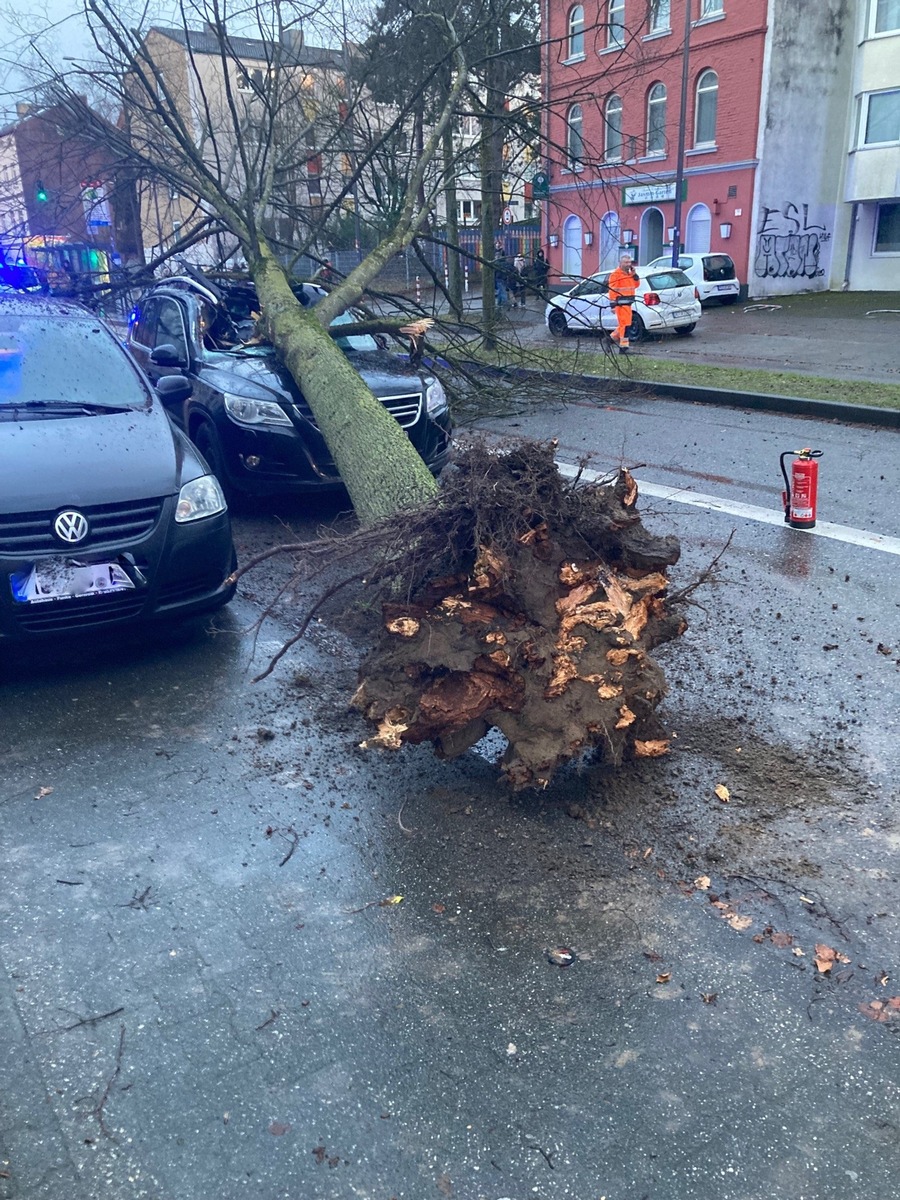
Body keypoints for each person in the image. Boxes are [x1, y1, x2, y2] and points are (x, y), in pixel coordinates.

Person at [608, 252, 639, 353]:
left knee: (624, 325)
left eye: (629, 262)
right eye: (626, 262)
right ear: (620, 263)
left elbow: (636, 285)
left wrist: (635, 275)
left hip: (628, 303)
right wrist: (613, 304)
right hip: (620, 304)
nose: (628, 264)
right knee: (625, 326)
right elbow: (612, 290)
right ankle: (624, 348)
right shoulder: (615, 275)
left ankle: (609, 340)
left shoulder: (629, 274)